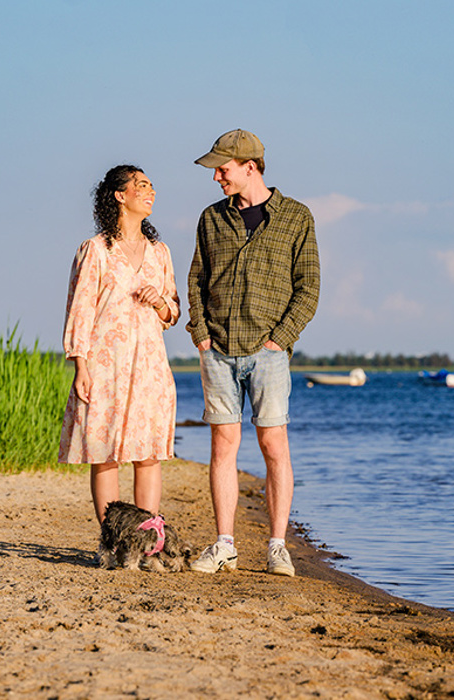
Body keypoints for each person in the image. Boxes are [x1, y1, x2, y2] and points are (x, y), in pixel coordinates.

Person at [185, 129, 321, 577]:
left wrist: (280, 338)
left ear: (250, 167)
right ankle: (225, 544)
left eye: (222, 169)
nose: (216, 177)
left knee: (273, 445)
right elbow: (196, 279)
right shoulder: (211, 219)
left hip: (269, 352)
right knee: (223, 445)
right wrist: (201, 335)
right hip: (217, 349)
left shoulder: (297, 218)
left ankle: (277, 546)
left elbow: (309, 289)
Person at [58, 165, 180, 528]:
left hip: (150, 365)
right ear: (119, 195)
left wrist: (159, 301)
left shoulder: (160, 252)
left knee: (149, 453)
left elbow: (172, 311)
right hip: (105, 364)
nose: (150, 191)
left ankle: (146, 537)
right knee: (104, 453)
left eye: (151, 186)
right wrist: (80, 365)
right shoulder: (95, 250)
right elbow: (79, 309)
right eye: (141, 185)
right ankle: (113, 538)